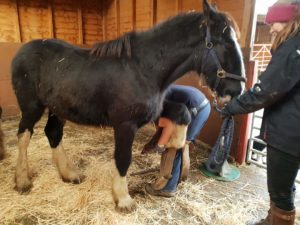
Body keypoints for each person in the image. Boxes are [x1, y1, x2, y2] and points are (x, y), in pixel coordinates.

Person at [221, 1, 300, 224]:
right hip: (293, 129)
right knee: (285, 182)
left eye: (273, 22)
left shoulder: (291, 48)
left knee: (279, 190)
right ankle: (273, 218)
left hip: (288, 132)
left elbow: (265, 91)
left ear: (288, 20)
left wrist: (231, 107)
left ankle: (279, 220)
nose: (271, 28)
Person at [143, 84, 211, 197]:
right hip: (203, 107)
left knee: (173, 148)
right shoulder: (159, 90)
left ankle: (167, 188)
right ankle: (179, 178)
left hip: (194, 111)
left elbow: (167, 125)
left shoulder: (155, 101)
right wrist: (151, 143)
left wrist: (159, 145)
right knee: (184, 144)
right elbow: (162, 125)